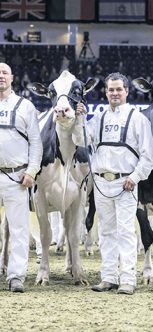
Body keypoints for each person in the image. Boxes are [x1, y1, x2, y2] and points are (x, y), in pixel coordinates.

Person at [74, 72, 153, 295]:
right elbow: (80, 140)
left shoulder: (138, 119)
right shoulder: (98, 118)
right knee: (106, 231)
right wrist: (79, 118)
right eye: (111, 90)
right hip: (101, 182)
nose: (115, 93)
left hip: (126, 182)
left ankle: (128, 279)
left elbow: (149, 155)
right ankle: (108, 277)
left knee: (126, 231)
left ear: (127, 91)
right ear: (106, 92)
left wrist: (135, 178)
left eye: (119, 89)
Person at [0, 62, 42, 292]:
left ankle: (16, 276)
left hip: (16, 176)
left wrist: (32, 171)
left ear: (12, 77)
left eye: (4, 72)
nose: (1, 76)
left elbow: (36, 142)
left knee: (18, 229)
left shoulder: (25, 106)